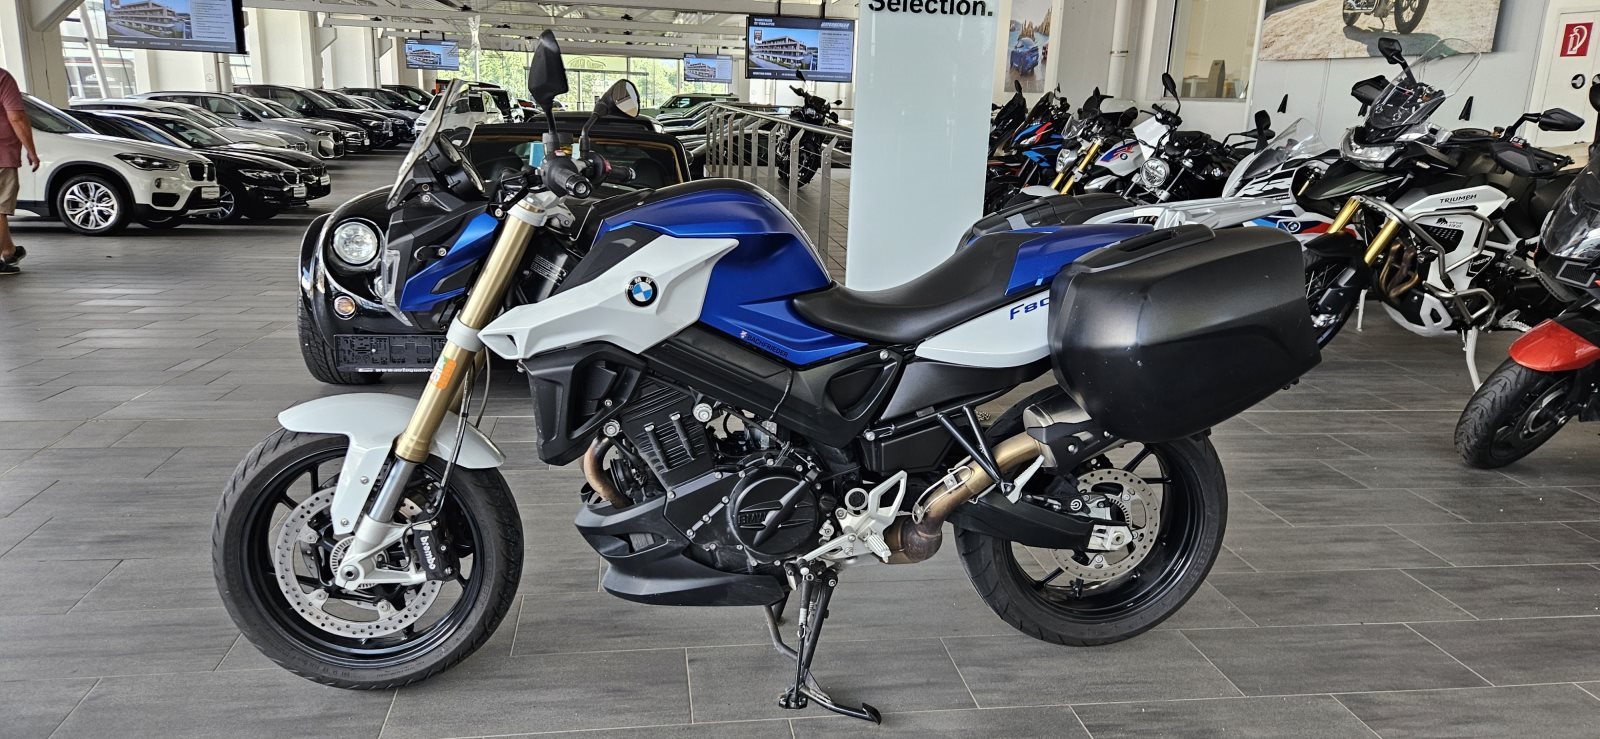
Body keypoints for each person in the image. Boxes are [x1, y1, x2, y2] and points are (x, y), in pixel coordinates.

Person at [0, 66, 40, 276]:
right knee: (0, 207)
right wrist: (31, 151)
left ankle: (9, 251)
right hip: (1, 154)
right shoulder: (2, 77)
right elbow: (16, 117)